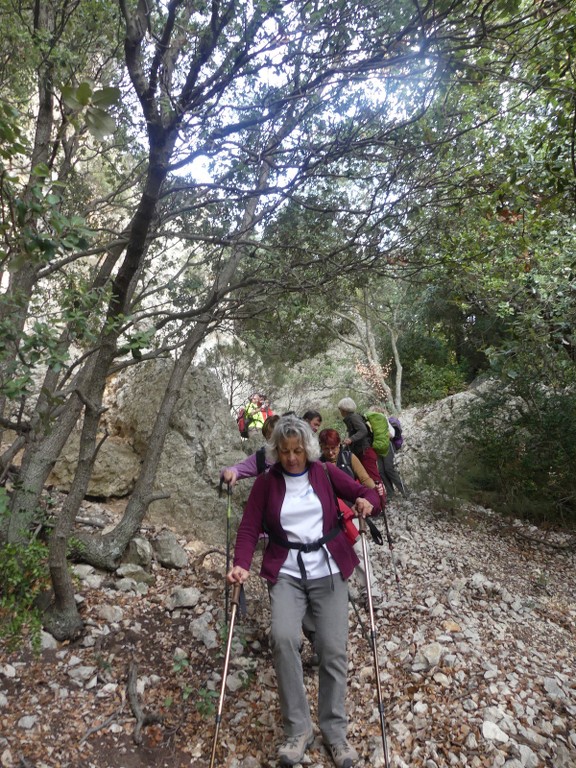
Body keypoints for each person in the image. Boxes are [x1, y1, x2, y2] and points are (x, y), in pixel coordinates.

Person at [227, 415, 379, 768]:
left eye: (297, 450)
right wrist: (241, 564)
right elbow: (249, 527)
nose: (292, 457)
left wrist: (367, 502)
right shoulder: (266, 483)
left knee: (331, 648)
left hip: (328, 569)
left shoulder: (324, 472)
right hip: (286, 573)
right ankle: (298, 730)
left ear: (307, 449)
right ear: (276, 452)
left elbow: (364, 491)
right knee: (282, 638)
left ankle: (335, 733)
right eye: (284, 451)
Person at [318, 428, 382, 605]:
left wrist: (373, 493)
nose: (330, 452)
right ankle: (338, 593)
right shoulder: (317, 466)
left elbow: (365, 480)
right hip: (330, 515)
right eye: (326, 448)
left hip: (351, 511)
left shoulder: (349, 457)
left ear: (339, 445)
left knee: (359, 549)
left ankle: (370, 589)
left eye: (333, 448)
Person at [221, 415, 279, 486]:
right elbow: (238, 469)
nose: (274, 443)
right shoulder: (262, 457)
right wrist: (230, 472)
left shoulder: (293, 455)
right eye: (269, 439)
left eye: (276, 437)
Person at [337, 397, 381, 484]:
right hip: (363, 451)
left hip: (365, 451)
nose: (340, 411)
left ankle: (380, 496)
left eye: (340, 409)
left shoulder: (353, 418)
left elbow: (363, 430)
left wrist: (351, 439)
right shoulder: (352, 418)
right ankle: (375, 496)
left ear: (344, 409)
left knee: (373, 477)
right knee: (368, 477)